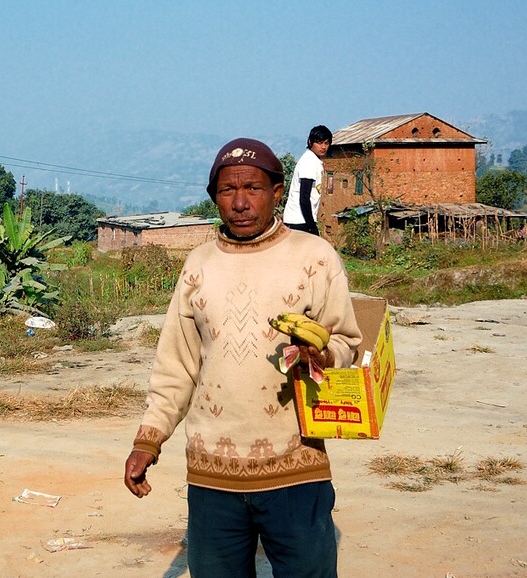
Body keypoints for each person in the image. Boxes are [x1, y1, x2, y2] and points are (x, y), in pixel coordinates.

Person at [123, 137, 362, 577]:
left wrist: (323, 353)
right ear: (214, 197)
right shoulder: (198, 265)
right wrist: (148, 439)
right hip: (213, 474)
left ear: (276, 191)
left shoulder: (315, 258)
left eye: (252, 188)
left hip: (297, 468)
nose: (240, 202)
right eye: (227, 191)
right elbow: (177, 364)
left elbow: (348, 342)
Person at [282, 125, 333, 236]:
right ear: (310, 142)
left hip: (302, 220)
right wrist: (311, 227)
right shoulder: (309, 161)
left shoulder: (315, 160)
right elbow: (304, 197)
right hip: (298, 220)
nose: (323, 147)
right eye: (319, 143)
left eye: (326, 143)